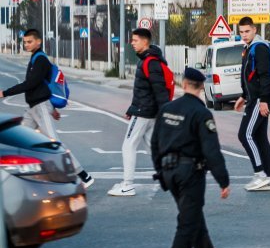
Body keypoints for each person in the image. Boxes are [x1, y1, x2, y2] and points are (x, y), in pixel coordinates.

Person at [151, 67, 230, 248]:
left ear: (183, 84)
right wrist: (223, 181)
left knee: (194, 219)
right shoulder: (201, 113)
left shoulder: (166, 110)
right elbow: (211, 151)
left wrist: (161, 172)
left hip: (169, 173)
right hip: (190, 174)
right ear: (201, 87)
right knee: (188, 223)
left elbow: (155, 143)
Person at [0, 28, 93, 187]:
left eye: (30, 42)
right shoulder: (35, 58)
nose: (27, 45)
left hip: (40, 106)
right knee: (19, 140)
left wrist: (5, 92)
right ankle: (21, 176)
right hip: (33, 108)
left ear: (39, 41)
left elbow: (32, 84)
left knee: (54, 144)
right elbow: (44, 85)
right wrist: (53, 109)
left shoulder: (41, 59)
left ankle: (84, 176)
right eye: (25, 42)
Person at [108, 28, 171, 197]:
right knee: (152, 146)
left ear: (145, 42)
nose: (132, 43)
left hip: (145, 112)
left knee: (128, 145)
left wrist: (165, 113)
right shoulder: (148, 60)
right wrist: (131, 109)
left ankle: (127, 184)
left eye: (135, 40)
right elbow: (143, 91)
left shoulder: (150, 62)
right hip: (147, 110)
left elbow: (160, 91)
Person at [234, 16, 270, 192]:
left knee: (244, 135)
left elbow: (265, 75)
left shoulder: (259, 48)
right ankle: (269, 177)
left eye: (247, 31)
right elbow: (249, 76)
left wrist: (264, 100)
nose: (244, 35)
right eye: (241, 32)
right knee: (260, 138)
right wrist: (243, 96)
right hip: (254, 98)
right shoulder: (249, 48)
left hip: (260, 99)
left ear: (254, 30)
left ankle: (260, 175)